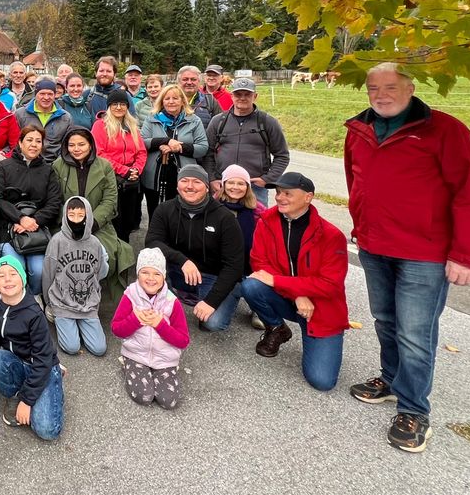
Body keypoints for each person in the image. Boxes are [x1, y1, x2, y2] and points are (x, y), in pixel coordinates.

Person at [344, 62, 470, 453]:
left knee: (415, 332)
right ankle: (391, 380)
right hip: (374, 246)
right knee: (385, 320)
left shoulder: (444, 130)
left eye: (390, 87)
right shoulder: (359, 131)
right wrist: (361, 224)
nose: (381, 95)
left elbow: (469, 194)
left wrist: (467, 255)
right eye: (374, 88)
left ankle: (414, 409)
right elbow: (356, 181)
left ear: (410, 88)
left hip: (424, 252)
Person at [242, 172, 348, 391]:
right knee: (251, 285)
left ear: (308, 197)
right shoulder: (267, 221)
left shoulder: (330, 234)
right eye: (278, 192)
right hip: (291, 299)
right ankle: (277, 327)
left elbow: (330, 284)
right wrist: (298, 294)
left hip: (320, 308)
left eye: (288, 193)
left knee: (322, 381)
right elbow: (259, 261)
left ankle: (318, 336)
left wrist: (280, 283)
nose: (280, 197)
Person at [144, 164, 244, 331]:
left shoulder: (225, 218)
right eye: (184, 181)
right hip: (177, 270)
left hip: (211, 276)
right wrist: (183, 261)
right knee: (150, 266)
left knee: (213, 323)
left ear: (207, 187)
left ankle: (219, 297)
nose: (190, 186)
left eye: (196, 182)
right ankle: (175, 297)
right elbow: (152, 242)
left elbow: (234, 265)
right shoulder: (164, 209)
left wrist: (211, 302)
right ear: (177, 186)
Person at [0, 255, 63, 440]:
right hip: (16, 360)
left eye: (13, 273)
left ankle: (53, 379)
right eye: (1, 275)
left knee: (47, 431)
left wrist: (27, 402)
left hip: (41, 366)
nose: (7, 279)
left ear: (23, 279)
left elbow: (42, 359)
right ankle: (16, 392)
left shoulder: (34, 313)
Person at [52, 127, 133, 299]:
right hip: (65, 226)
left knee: (103, 257)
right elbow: (55, 199)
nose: (76, 148)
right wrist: (70, 223)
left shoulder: (104, 166)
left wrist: (90, 224)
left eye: (81, 144)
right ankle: (65, 294)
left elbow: (110, 200)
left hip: (99, 226)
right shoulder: (58, 166)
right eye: (72, 145)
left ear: (91, 145)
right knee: (65, 257)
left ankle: (89, 292)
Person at [111, 248, 189, 409]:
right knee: (144, 396)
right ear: (137, 274)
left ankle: (163, 371)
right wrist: (135, 319)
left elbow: (183, 340)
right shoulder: (130, 295)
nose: (151, 278)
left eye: (156, 273)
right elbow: (116, 329)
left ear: (164, 276)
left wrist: (160, 325)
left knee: (169, 401)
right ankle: (127, 363)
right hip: (136, 354)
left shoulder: (172, 301)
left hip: (164, 359)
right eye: (145, 272)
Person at [0, 125, 63, 294]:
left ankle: (34, 297)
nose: (34, 145)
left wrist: (34, 221)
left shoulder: (48, 170)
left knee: (38, 270)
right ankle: (18, 301)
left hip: (36, 230)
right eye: (29, 140)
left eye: (38, 141)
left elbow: (54, 202)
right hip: (9, 229)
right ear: (20, 143)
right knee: (17, 269)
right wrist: (20, 219)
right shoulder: (3, 167)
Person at [204, 77, 290, 206]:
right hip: (223, 186)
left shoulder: (267, 122)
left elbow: (282, 155)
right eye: (238, 94)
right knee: (220, 224)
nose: (242, 98)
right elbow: (208, 153)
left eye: (247, 94)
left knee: (256, 224)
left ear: (255, 96)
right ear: (232, 96)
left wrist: (267, 179)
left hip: (255, 188)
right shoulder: (218, 121)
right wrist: (212, 179)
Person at [42, 196, 109, 356]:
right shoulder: (56, 241)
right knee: (71, 347)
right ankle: (64, 321)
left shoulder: (94, 243)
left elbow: (100, 272)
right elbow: (48, 273)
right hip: (62, 303)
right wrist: (48, 302)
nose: (76, 220)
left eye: (81, 215)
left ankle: (81, 324)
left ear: (88, 216)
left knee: (99, 349)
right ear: (65, 216)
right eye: (72, 215)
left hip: (88, 304)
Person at [140, 83, 209, 218]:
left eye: (175, 98)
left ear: (182, 101)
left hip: (183, 175)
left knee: (179, 214)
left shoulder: (194, 121)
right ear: (162, 101)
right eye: (167, 98)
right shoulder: (152, 118)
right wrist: (164, 142)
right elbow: (142, 142)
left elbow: (203, 147)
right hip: (155, 175)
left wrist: (179, 147)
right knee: (155, 213)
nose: (171, 101)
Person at [92, 89, 147, 241]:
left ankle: (126, 252)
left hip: (131, 180)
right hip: (109, 178)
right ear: (109, 106)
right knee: (114, 220)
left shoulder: (132, 126)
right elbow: (100, 153)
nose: (118, 107)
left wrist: (136, 169)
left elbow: (141, 152)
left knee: (129, 221)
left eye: (122, 104)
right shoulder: (100, 126)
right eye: (114, 104)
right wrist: (124, 170)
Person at [216, 163, 267, 329]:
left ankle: (258, 305)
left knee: (254, 284)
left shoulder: (258, 211)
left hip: (250, 267)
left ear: (247, 186)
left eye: (240, 183)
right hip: (222, 267)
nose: (235, 187)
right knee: (213, 323)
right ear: (223, 184)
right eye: (231, 182)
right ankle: (232, 292)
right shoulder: (213, 206)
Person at [14, 78, 71, 162]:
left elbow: (67, 145)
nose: (46, 97)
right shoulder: (20, 114)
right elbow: (15, 142)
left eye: (50, 94)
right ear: (35, 94)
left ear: (55, 95)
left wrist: (58, 163)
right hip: (26, 162)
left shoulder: (65, 117)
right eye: (42, 94)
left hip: (54, 163)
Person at [177, 64, 220, 130]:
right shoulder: (168, 101)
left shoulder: (210, 101)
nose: (189, 82)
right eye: (185, 79)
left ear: (199, 82)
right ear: (179, 81)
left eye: (193, 79)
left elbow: (220, 126)